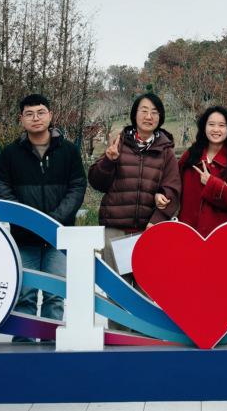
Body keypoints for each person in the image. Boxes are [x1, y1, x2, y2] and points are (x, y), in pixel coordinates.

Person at [0, 94, 87, 342]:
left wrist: (53, 220)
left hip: (59, 237)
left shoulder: (68, 151)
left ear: (50, 115)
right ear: (21, 118)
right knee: (24, 294)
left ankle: (51, 343)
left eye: (41, 112)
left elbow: (77, 186)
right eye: (29, 114)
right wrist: (29, 220)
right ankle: (22, 344)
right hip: (24, 238)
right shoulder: (10, 153)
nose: (36, 118)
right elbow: (2, 188)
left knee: (55, 295)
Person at [88, 93, 181, 327]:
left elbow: (173, 190)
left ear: (160, 117)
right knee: (117, 293)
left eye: (154, 112)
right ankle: (118, 339)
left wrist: (157, 217)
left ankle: (142, 341)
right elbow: (97, 182)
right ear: (135, 114)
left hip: (147, 232)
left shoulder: (166, 151)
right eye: (144, 111)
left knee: (145, 294)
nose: (149, 116)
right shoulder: (119, 143)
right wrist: (109, 161)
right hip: (116, 231)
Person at [176, 106, 227, 237]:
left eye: (221, 125)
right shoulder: (190, 156)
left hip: (222, 236)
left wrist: (212, 184)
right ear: (204, 127)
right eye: (211, 124)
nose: (216, 129)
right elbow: (174, 184)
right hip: (188, 233)